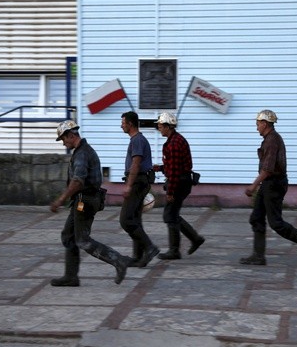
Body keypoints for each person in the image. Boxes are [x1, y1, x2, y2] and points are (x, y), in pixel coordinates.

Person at [49, 120, 129, 286]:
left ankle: (118, 260)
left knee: (83, 240)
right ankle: (71, 277)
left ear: (71, 135)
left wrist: (61, 199)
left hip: (84, 202)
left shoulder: (82, 154)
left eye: (63, 139)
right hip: (82, 200)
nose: (63, 143)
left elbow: (78, 181)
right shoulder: (81, 151)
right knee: (68, 236)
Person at [241, 110, 297, 266]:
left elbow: (268, 169)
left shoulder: (272, 141)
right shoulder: (271, 139)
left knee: (276, 223)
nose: (256, 127)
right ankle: (258, 256)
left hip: (274, 184)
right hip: (270, 184)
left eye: (257, 124)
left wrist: (253, 185)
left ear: (265, 124)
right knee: (256, 218)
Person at [152, 112, 205, 260]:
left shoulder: (174, 143)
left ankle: (175, 250)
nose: (159, 128)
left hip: (179, 183)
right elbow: (175, 166)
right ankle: (195, 239)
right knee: (173, 214)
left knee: (169, 215)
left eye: (161, 126)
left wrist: (170, 191)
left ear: (168, 127)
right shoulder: (175, 140)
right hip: (182, 181)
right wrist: (161, 168)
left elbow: (175, 172)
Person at [120, 111, 160, 267]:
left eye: (123, 122)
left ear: (130, 124)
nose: (121, 125)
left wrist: (129, 185)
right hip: (140, 181)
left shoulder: (137, 140)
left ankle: (150, 248)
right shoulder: (137, 139)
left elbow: (136, 164)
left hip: (137, 182)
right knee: (135, 219)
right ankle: (137, 257)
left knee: (125, 220)